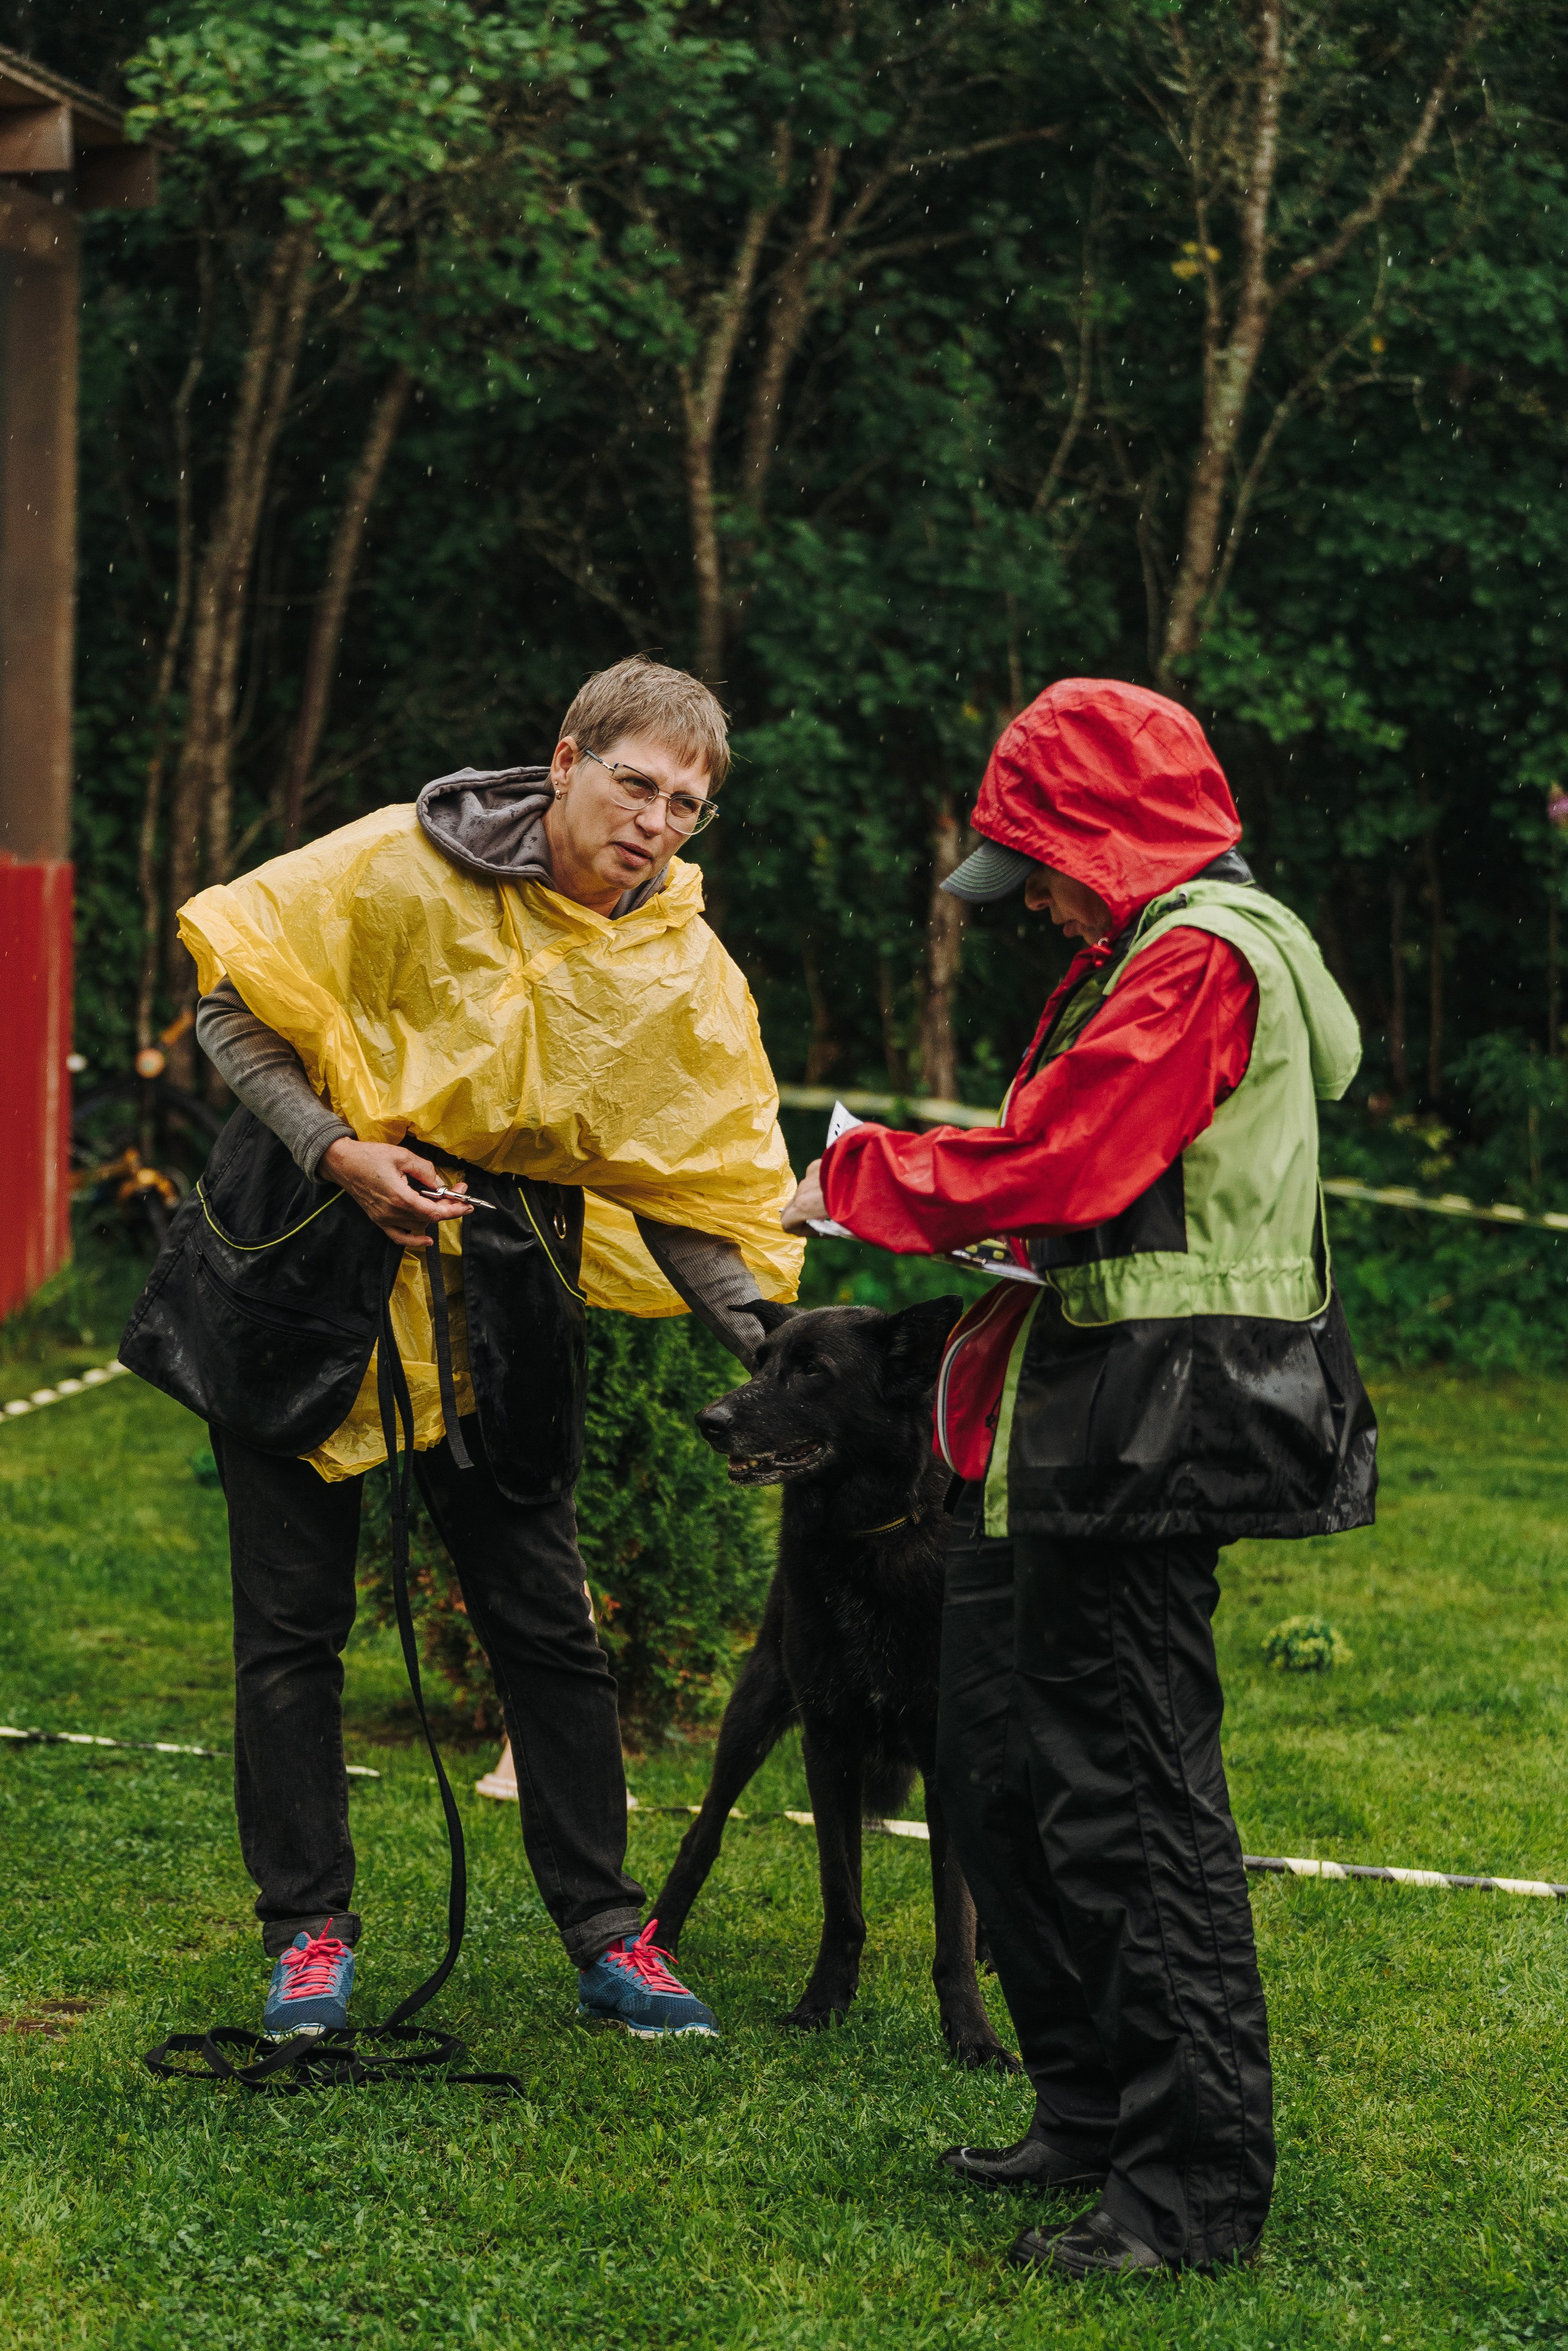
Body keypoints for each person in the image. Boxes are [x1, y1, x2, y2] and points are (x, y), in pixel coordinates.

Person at [783, 677, 1376, 2281]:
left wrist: (852, 1175)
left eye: (1038, 865)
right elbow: (1082, 1173)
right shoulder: (1157, 948)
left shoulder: (1195, 955)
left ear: (1110, 835)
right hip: (1080, 1414)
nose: (1031, 902)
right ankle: (1097, 2109)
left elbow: (1068, 1166)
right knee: (1003, 1773)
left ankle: (1187, 2194)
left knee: (1134, 1813)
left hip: (1153, 1429)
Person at [125, 657, 803, 2043]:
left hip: (497, 1295)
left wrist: (777, 1345)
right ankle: (307, 1932)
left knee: (548, 1628)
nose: (657, 822)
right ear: (564, 759)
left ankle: (611, 1937)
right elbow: (225, 1005)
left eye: (687, 804)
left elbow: (677, 1186)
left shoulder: (673, 958)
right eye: (635, 782)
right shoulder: (393, 860)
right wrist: (337, 1146)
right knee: (290, 1629)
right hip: (305, 1263)